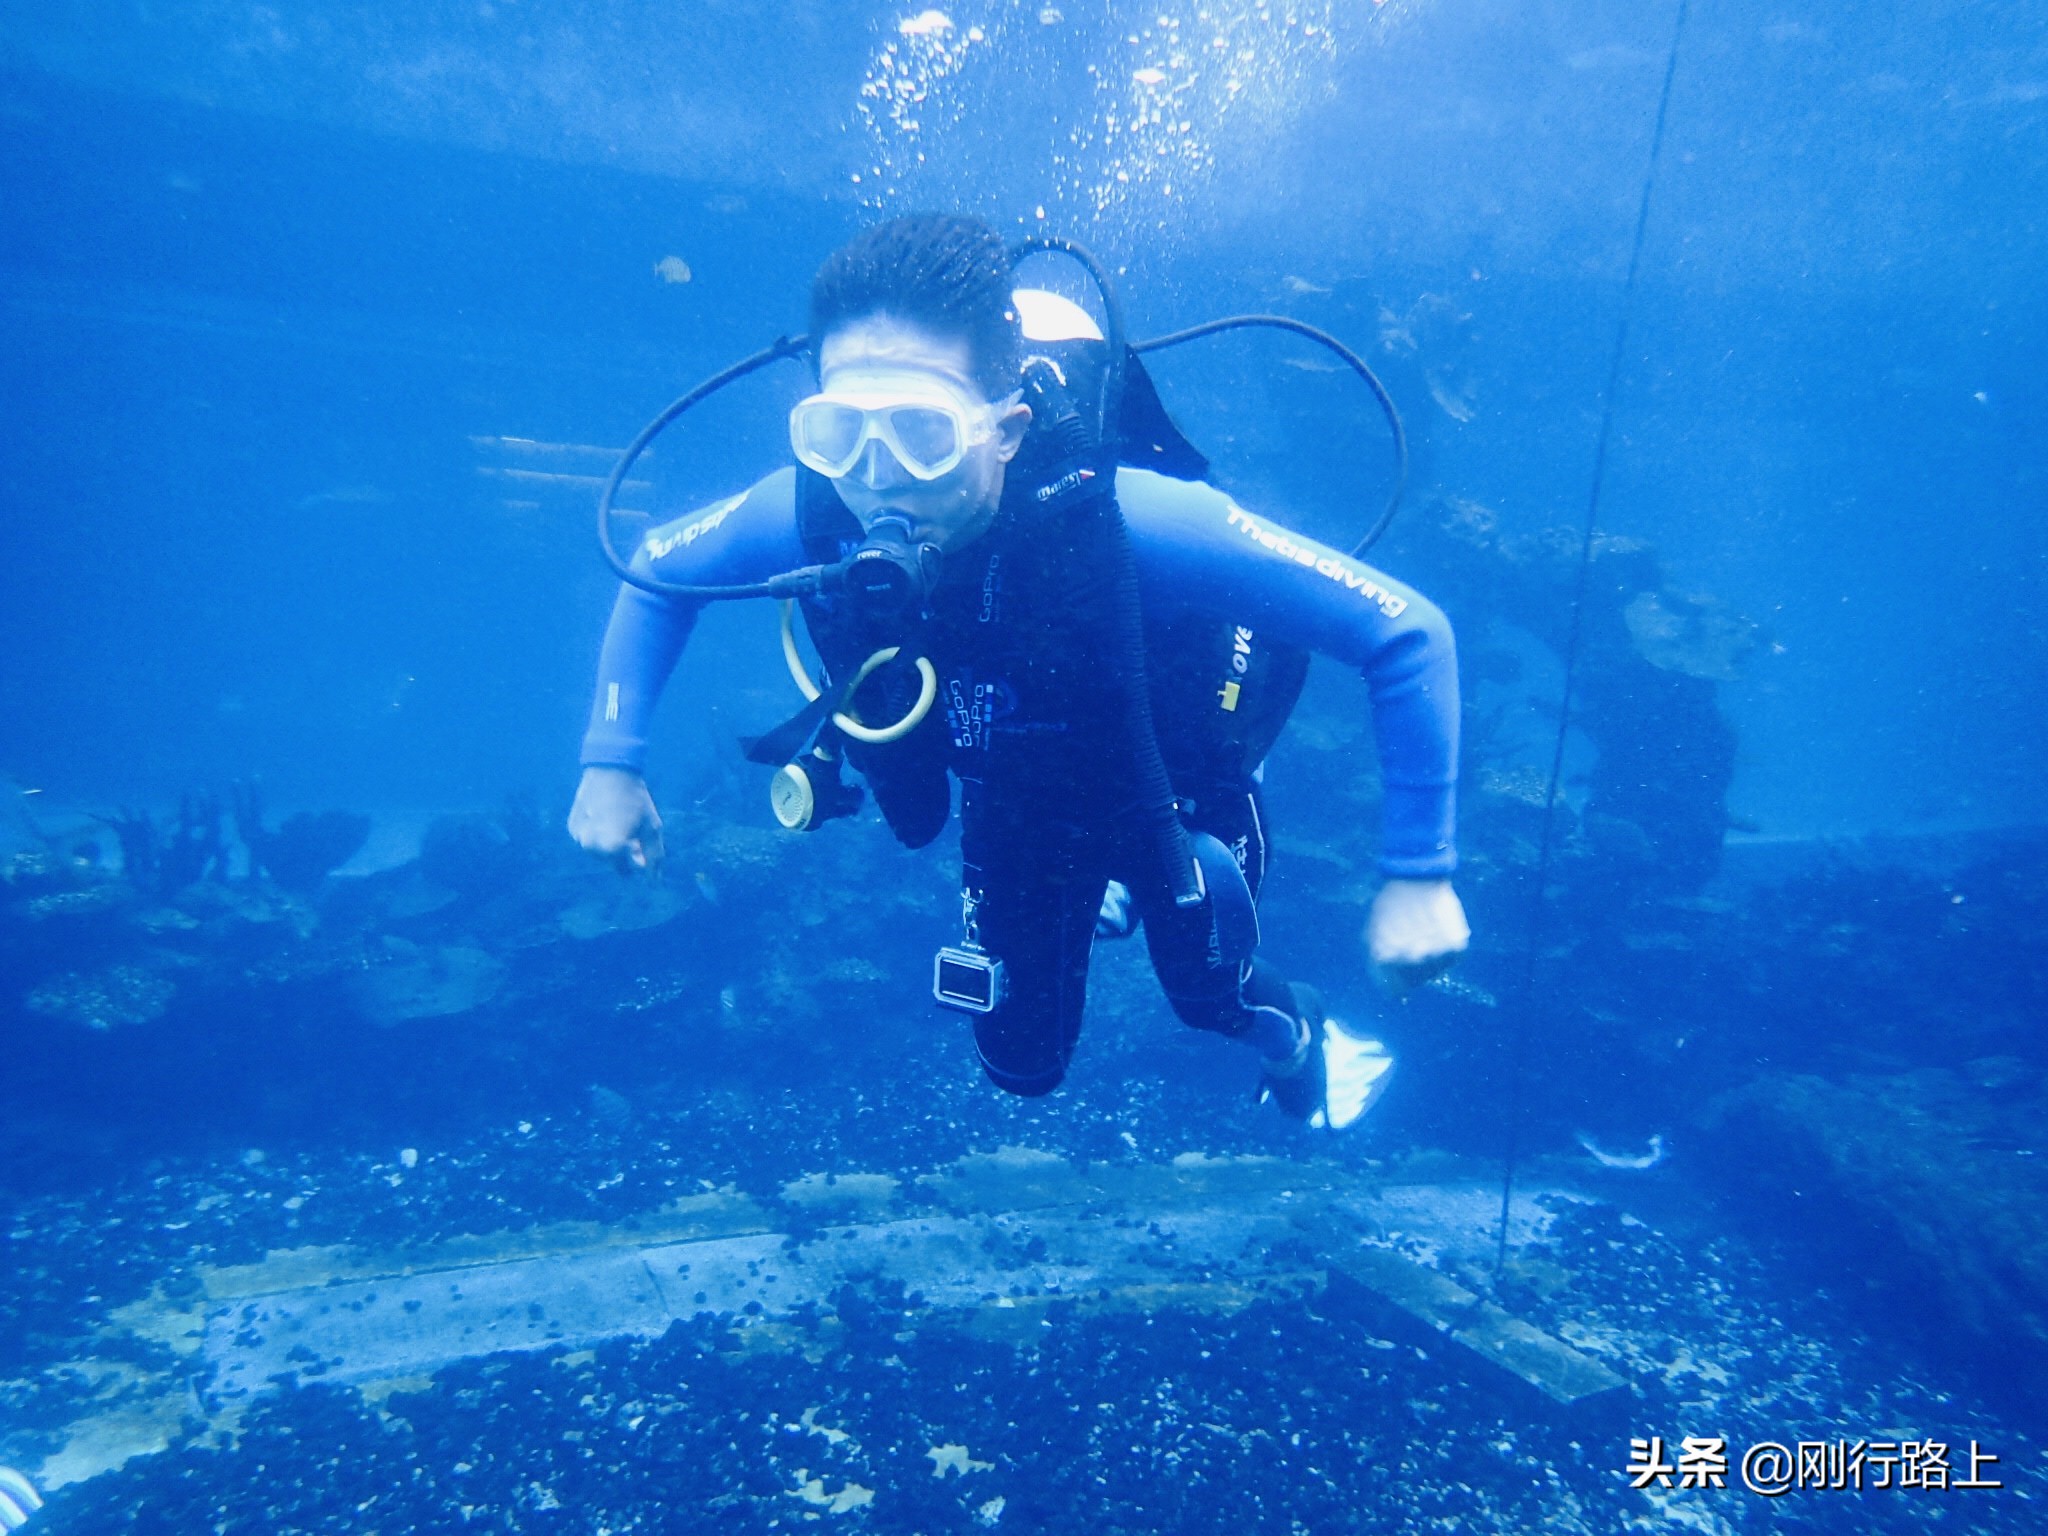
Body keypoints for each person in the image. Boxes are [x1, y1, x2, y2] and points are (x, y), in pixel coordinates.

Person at [569, 213, 1468, 1130]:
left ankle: (1299, 1041)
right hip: (1019, 785)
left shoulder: (1128, 521)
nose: (877, 477)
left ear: (1006, 429)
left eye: (923, 433)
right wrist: (610, 763)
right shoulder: (815, 512)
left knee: (1211, 995)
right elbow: (657, 568)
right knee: (1020, 1062)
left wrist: (1419, 877)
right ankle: (1099, 887)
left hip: (1170, 776)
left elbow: (1405, 633)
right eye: (838, 433)